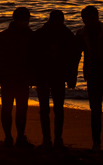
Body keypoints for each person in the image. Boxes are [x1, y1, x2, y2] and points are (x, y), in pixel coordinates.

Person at [30, 9, 81, 148]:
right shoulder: (64, 34)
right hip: (48, 75)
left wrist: (71, 76)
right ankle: (51, 138)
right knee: (51, 108)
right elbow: (74, 57)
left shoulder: (44, 33)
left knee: (53, 109)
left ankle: (54, 138)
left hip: (52, 75)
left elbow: (74, 57)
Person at [75, 5, 103, 150]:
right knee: (95, 111)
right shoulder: (81, 34)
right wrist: (73, 75)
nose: (88, 21)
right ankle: (96, 142)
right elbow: (76, 56)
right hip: (92, 75)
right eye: (86, 19)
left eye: (90, 18)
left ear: (97, 17)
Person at [0, 7, 34, 148]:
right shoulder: (6, 36)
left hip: (19, 77)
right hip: (10, 77)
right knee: (10, 108)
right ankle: (10, 137)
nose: (26, 22)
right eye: (24, 19)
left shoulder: (27, 35)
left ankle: (16, 137)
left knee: (18, 108)